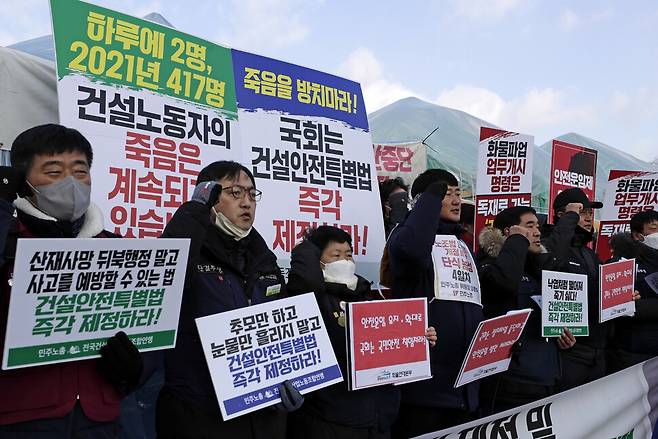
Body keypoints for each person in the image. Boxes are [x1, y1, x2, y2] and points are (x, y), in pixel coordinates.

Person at [0, 124, 143, 438]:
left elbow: (148, 327)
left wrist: (134, 368)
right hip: (22, 419)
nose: (70, 183)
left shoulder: (117, 249)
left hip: (103, 418)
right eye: (53, 171)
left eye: (80, 172)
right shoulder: (8, 242)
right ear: (23, 182)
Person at [156, 161, 300, 439]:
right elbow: (163, 283)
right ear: (209, 197)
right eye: (235, 193)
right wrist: (195, 211)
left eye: (251, 193)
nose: (246, 202)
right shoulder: (190, 250)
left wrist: (292, 380)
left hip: (263, 416)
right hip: (199, 415)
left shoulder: (265, 260)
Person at [286, 225, 437, 439]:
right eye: (335, 255)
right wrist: (306, 247)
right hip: (331, 422)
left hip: (376, 421)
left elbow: (391, 352)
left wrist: (418, 339)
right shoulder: (313, 301)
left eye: (348, 255)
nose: (345, 261)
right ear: (317, 261)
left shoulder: (367, 299)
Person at [387, 169, 483, 437]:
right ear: (425, 200)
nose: (456, 201)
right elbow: (412, 249)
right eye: (447, 194)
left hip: (465, 391)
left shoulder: (462, 246)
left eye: (458, 194)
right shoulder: (403, 238)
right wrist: (428, 199)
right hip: (424, 393)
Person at [477, 206, 576, 415]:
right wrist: (517, 243)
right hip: (509, 385)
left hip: (547, 379)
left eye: (538, 226)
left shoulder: (541, 269)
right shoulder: (490, 267)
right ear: (508, 232)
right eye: (529, 226)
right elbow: (504, 283)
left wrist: (562, 335)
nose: (538, 232)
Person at [541, 187, 607, 390]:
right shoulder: (547, 246)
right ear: (564, 215)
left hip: (597, 351)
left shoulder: (589, 253)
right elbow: (551, 261)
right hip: (568, 352)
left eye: (590, 213)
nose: (588, 218)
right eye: (582, 212)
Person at [607, 210, 658, 372]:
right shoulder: (621, 264)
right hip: (632, 352)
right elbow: (615, 307)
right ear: (637, 235)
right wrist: (635, 305)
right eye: (654, 228)